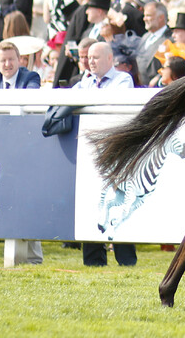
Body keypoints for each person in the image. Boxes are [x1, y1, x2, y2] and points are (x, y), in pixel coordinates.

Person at [75, 42, 137, 266]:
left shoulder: (123, 79)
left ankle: (126, 259)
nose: (91, 61)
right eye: (89, 57)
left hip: (115, 150)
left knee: (118, 200)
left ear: (110, 59)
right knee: (89, 201)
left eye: (96, 57)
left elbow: (112, 105)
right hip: (89, 150)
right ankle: (93, 259)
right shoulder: (84, 82)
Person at [136, 1, 173, 84]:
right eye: (144, 15)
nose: (144, 19)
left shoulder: (170, 39)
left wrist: (158, 79)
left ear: (161, 17)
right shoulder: (145, 37)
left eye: (148, 16)